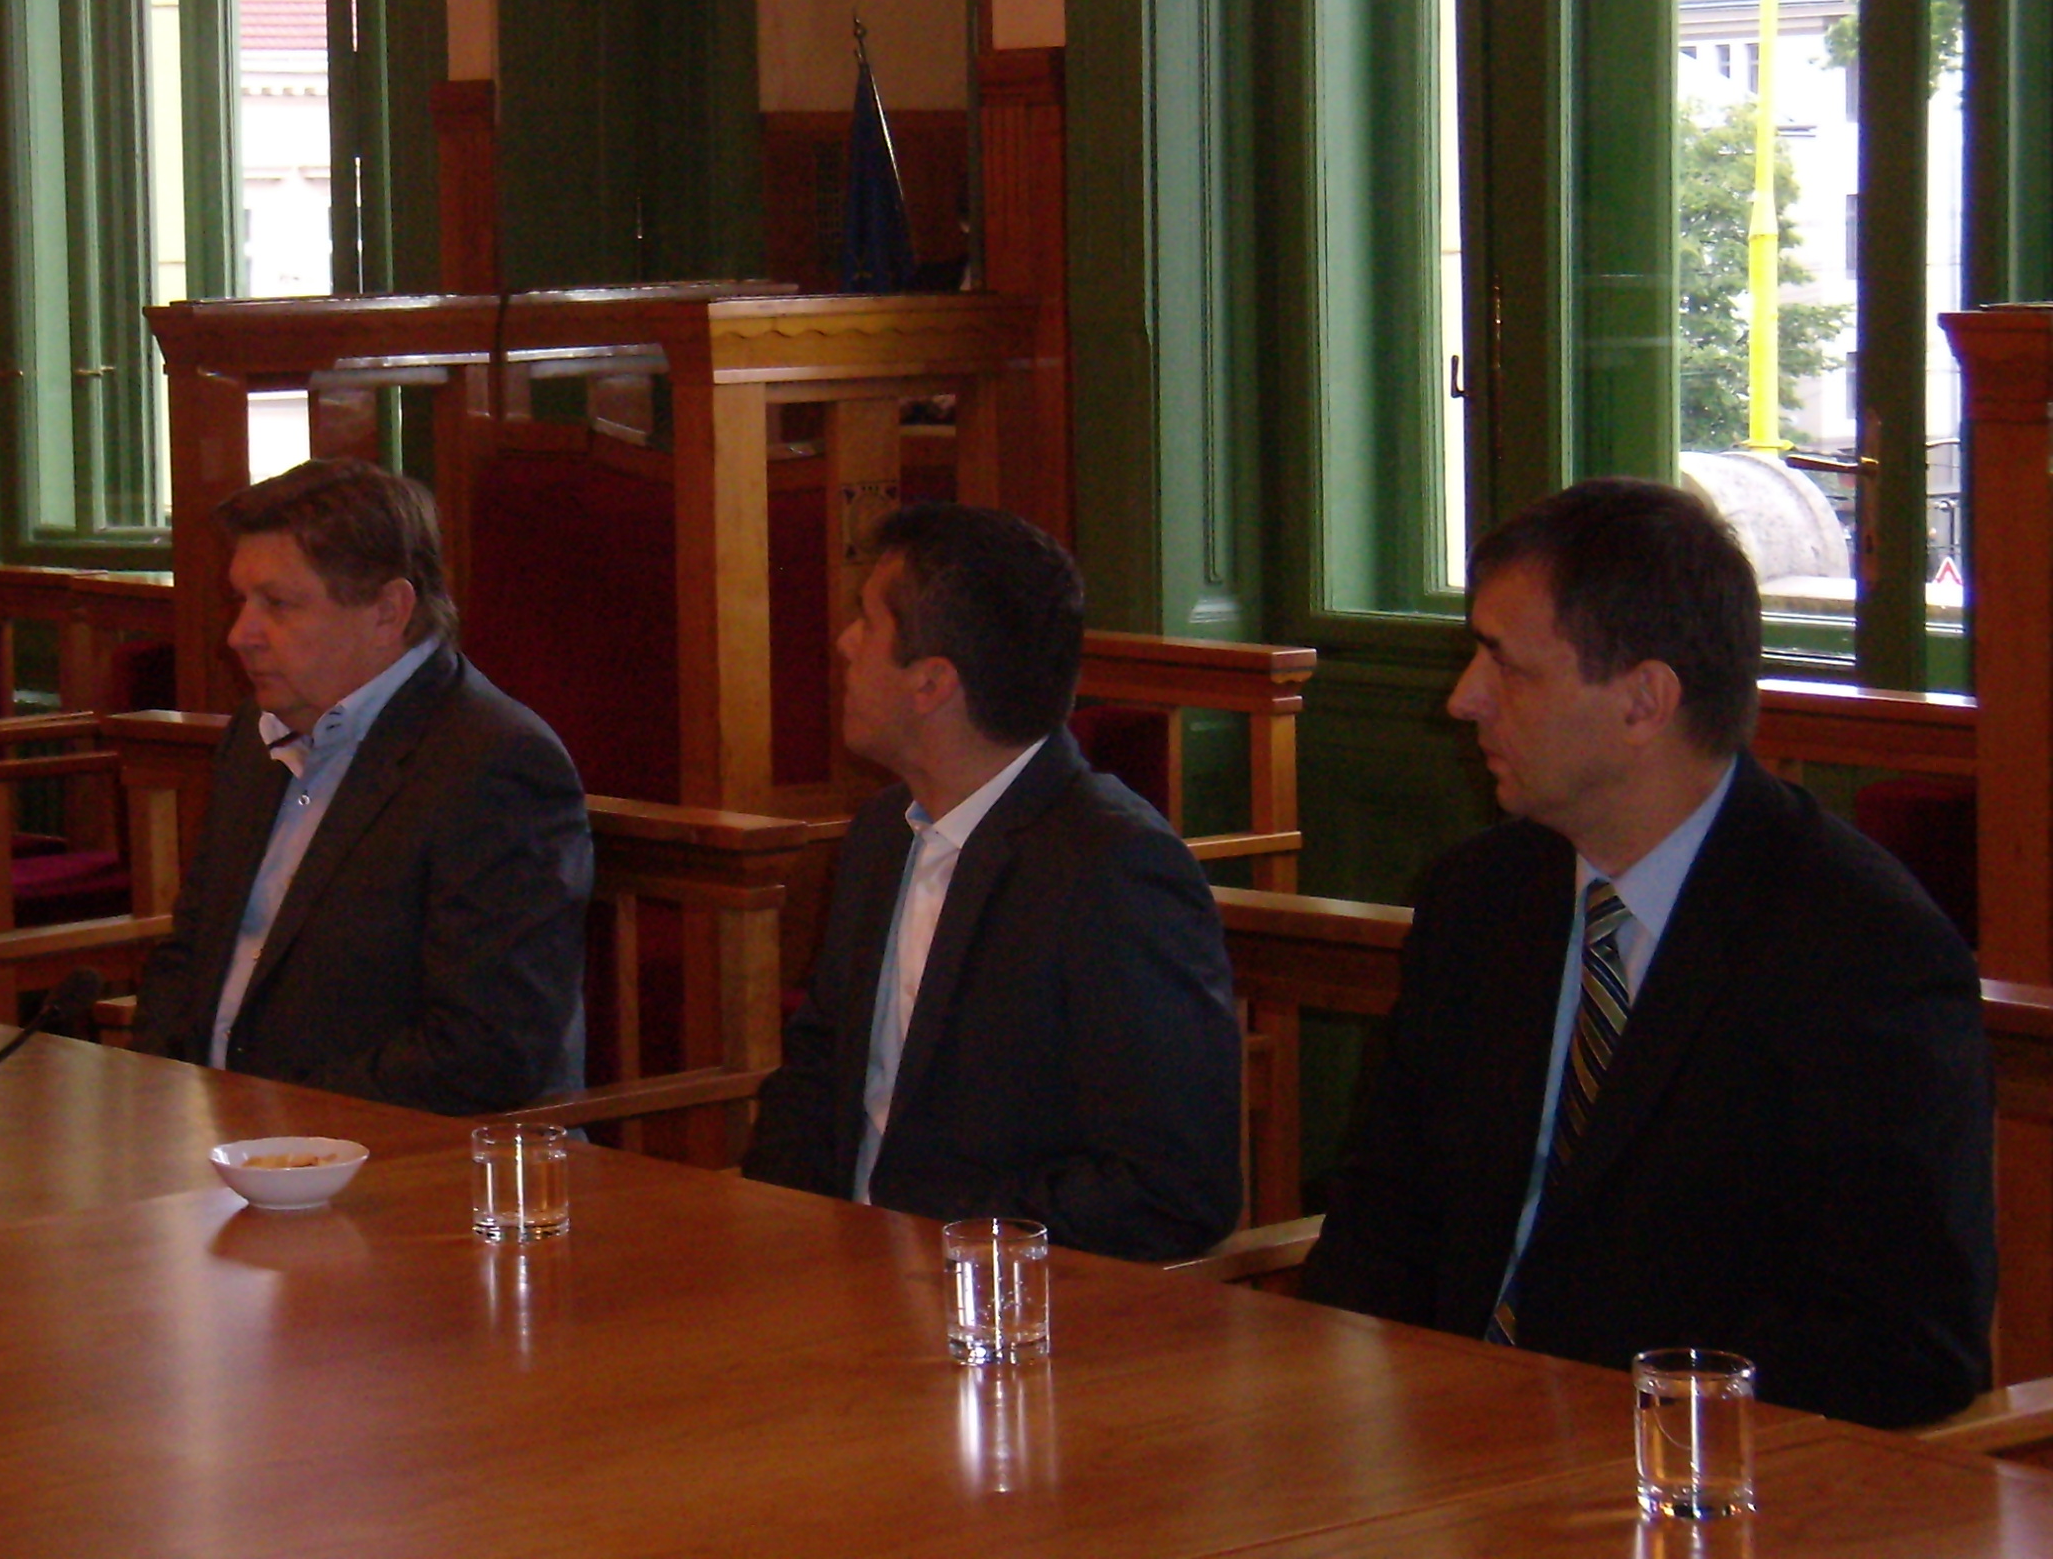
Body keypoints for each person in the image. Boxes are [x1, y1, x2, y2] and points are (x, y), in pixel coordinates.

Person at [1300, 477, 1994, 1427]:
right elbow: (1381, 1219)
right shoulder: (1481, 899)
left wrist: (1603, 1420)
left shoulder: (1859, 948)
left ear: (1643, 701)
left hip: (1688, 1465)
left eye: (1508, 666)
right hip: (1438, 1436)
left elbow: (1906, 1342)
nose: (1464, 699)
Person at [741, 502, 1243, 1261]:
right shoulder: (882, 833)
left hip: (1005, 1298)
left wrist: (936, 1244)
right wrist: (770, 1237)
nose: (844, 643)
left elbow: (1173, 1186)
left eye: (867, 623)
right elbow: (817, 1073)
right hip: (843, 1274)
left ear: (931, 683)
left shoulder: (1113, 868)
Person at [128, 458, 591, 1114]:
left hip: (401, 1150)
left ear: (387, 610)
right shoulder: (256, 737)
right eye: (240, 601)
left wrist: (274, 1118)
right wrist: (159, 1095)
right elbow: (189, 956)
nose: (240, 635)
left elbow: (488, 1050)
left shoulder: (493, 762)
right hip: (223, 1133)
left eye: (278, 604)